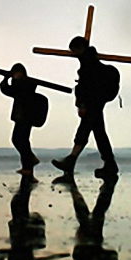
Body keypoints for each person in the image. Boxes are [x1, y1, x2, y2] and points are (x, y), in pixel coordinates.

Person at [52, 36, 119, 180]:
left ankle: (72, 160)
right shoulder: (89, 61)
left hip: (93, 102)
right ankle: (109, 164)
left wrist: (82, 105)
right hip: (97, 101)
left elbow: (86, 87)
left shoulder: (88, 64)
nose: (73, 54)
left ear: (79, 48)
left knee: (88, 129)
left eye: (74, 51)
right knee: (97, 131)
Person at [0, 63, 41, 177]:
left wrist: (7, 79)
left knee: (20, 140)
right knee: (21, 140)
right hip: (23, 116)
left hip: (25, 116)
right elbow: (7, 90)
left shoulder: (25, 84)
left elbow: (9, 90)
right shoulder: (23, 84)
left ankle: (28, 165)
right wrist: (6, 79)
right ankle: (28, 163)